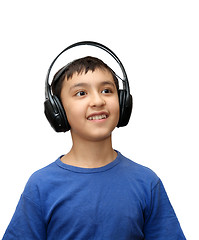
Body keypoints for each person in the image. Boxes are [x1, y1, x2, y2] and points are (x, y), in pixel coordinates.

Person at [3, 45, 186, 239]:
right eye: (81, 93)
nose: (98, 101)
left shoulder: (147, 182)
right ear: (58, 111)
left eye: (107, 90)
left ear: (123, 102)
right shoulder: (41, 185)